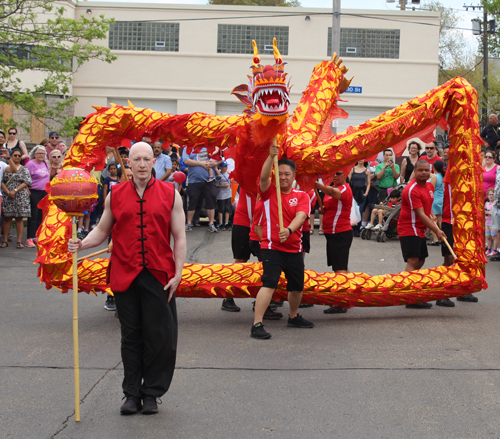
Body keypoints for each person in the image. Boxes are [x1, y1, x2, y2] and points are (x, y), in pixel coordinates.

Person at [68, 142, 186, 415]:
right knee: (130, 336)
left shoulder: (171, 193)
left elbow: (179, 237)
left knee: (159, 336)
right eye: (137, 159)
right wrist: (81, 244)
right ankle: (131, 393)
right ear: (128, 163)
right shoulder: (115, 194)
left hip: (159, 274)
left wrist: (178, 273)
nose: (142, 164)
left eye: (147, 159)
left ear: (154, 161)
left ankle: (151, 394)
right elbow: (101, 231)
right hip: (124, 273)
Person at [251, 145, 312, 340]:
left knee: (297, 286)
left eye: (287, 174)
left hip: (294, 248)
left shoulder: (302, 196)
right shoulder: (269, 192)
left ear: (294, 176)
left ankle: (293, 317)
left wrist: (289, 230)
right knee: (269, 283)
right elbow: (262, 178)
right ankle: (257, 323)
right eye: (280, 174)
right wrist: (270, 157)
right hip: (272, 247)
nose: (283, 177)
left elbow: (301, 216)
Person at [397, 160, 448, 309]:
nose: (424, 173)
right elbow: (420, 214)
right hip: (409, 227)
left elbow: (427, 205)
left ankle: (411, 290)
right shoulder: (411, 189)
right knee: (413, 261)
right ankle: (408, 295)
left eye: (427, 170)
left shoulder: (430, 185)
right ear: (415, 171)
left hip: (418, 228)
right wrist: (437, 230)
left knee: (421, 261)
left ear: (430, 170)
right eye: (420, 170)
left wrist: (431, 213)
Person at [316, 172, 353, 314]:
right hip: (332, 233)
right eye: (333, 174)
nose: (335, 176)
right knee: (341, 266)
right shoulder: (332, 187)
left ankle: (341, 302)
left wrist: (316, 184)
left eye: (339, 174)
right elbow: (330, 201)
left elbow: (333, 192)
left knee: (340, 269)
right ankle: (349, 294)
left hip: (340, 233)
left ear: (346, 175)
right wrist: (323, 210)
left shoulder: (344, 188)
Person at [441, 182, 478, 302]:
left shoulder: (469, 178)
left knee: (465, 258)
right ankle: (443, 294)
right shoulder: (451, 175)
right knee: (449, 259)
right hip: (450, 222)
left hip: (465, 223)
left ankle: (463, 291)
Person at [183, 147, 220, 233]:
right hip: (194, 180)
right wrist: (201, 163)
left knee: (211, 201)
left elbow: (220, 160)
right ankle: (189, 223)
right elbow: (186, 161)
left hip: (209, 181)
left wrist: (212, 164)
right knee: (192, 201)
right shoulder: (188, 147)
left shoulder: (210, 145)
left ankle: (211, 224)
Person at [1, 147, 32, 249]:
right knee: (7, 218)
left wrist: (15, 190)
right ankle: (5, 240)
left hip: (20, 195)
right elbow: (1, 181)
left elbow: (27, 181)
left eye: (19, 155)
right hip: (7, 195)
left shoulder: (24, 168)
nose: (17, 157)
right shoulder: (6, 167)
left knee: (19, 218)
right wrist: (8, 192)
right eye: (15, 155)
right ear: (11, 156)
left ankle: (19, 241)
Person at [25, 146, 50, 248]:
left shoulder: (45, 164)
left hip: (44, 192)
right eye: (39, 153)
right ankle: (30, 237)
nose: (41, 155)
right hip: (34, 191)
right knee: (33, 214)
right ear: (34, 154)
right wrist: (28, 191)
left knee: (41, 214)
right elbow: (25, 178)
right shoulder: (30, 164)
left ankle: (37, 236)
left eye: (43, 154)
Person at [348, 160, 370, 233]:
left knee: (360, 210)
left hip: (362, 193)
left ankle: (357, 229)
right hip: (353, 192)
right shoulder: (352, 169)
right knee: (353, 210)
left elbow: (369, 183)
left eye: (363, 158)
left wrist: (366, 193)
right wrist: (349, 192)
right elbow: (348, 181)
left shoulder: (367, 171)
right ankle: (352, 228)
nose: (361, 160)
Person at [428, 159, 445, 246]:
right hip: (441, 198)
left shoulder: (435, 177)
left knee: (433, 220)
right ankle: (443, 237)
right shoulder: (443, 176)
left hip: (434, 199)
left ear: (433, 167)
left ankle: (435, 239)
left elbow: (431, 189)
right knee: (440, 219)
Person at [215, 161, 232, 230]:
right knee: (221, 209)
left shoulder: (228, 173)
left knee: (227, 209)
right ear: (220, 167)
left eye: (226, 166)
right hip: (221, 195)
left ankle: (226, 223)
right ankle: (220, 223)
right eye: (224, 166)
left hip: (228, 194)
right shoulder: (219, 175)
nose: (226, 167)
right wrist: (223, 186)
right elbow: (216, 185)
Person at [485, 188, 497, 257]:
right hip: (487, 222)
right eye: (490, 194)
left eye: (492, 194)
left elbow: (494, 213)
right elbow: (484, 211)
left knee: (493, 237)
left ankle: (494, 250)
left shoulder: (495, 204)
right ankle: (489, 249)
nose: (491, 196)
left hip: (493, 222)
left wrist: (488, 212)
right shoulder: (486, 203)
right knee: (488, 237)